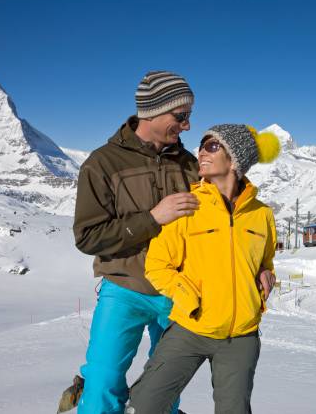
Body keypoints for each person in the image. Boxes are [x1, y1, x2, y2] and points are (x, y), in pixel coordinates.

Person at [65, 71, 202, 414]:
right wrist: (152, 219)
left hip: (177, 291)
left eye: (189, 116)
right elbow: (88, 237)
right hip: (123, 288)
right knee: (102, 382)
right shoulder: (102, 164)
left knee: (166, 385)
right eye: (180, 116)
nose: (187, 126)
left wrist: (261, 265)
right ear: (153, 111)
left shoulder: (190, 165)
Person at [126, 124, 280, 414]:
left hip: (242, 337)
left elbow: (265, 261)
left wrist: (266, 274)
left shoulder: (262, 215)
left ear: (235, 160)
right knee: (145, 404)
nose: (201, 152)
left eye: (212, 146)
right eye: (201, 145)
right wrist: (190, 299)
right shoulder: (186, 206)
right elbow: (158, 265)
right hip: (191, 328)